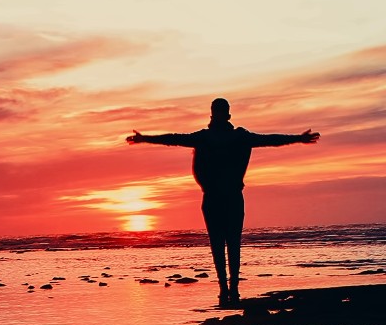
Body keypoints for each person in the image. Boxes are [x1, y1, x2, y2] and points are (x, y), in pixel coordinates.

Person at [126, 98, 319, 305]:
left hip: (225, 197)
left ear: (217, 115)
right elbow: (175, 138)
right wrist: (145, 138)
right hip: (220, 197)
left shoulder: (228, 137)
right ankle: (227, 288)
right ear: (227, 116)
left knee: (227, 244)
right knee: (223, 244)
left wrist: (297, 139)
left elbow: (269, 139)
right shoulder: (218, 137)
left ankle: (230, 288)